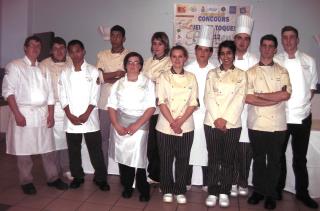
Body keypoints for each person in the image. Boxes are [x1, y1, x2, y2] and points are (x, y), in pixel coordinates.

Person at [2, 35, 68, 195]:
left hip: (42, 114)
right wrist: (17, 114)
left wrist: (51, 114)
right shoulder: (15, 66)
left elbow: (51, 94)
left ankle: (53, 178)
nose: (36, 49)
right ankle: (26, 181)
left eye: (38, 46)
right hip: (23, 113)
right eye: (32, 45)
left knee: (48, 149)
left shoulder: (42, 68)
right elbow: (8, 92)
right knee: (24, 151)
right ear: (25, 47)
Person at [275, 26, 319, 209]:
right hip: (282, 116)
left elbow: (312, 88)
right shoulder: (276, 60)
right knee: (278, 156)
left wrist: (304, 103)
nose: (288, 41)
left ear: (297, 40)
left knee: (300, 158)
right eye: (285, 38)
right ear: (282, 40)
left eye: (292, 37)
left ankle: (303, 192)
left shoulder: (309, 60)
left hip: (303, 116)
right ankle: (277, 189)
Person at [246, 34, 291, 210]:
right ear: (260, 47)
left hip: (277, 124)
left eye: (271, 46)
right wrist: (274, 98)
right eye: (264, 45)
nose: (267, 49)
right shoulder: (250, 72)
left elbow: (285, 94)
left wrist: (261, 95)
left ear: (275, 49)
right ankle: (258, 191)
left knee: (274, 160)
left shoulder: (282, 71)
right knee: (258, 159)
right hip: (256, 122)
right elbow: (248, 98)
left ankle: (271, 194)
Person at [59, 40, 109, 191]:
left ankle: (100, 178)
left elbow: (95, 95)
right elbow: (62, 95)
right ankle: (78, 176)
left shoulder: (94, 71)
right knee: (73, 150)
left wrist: (87, 113)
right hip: (71, 117)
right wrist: (69, 114)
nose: (75, 54)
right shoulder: (65, 72)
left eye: (78, 51)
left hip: (90, 118)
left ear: (84, 51)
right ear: (69, 53)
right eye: (72, 51)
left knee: (96, 149)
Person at [203, 40, 247, 208]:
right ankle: (213, 191)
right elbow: (208, 97)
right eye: (222, 53)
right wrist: (217, 119)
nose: (226, 56)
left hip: (232, 124)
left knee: (228, 160)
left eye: (229, 53)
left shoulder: (242, 75)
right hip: (211, 122)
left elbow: (239, 99)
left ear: (234, 54)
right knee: (213, 159)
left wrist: (225, 119)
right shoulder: (212, 73)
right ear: (219, 55)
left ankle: (224, 191)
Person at [108, 52, 156, 202]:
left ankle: (143, 188)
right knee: (123, 157)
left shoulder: (147, 83)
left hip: (140, 123)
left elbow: (151, 107)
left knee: (139, 158)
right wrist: (116, 125)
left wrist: (136, 125)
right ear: (125, 65)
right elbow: (111, 106)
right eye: (130, 62)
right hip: (120, 122)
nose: (133, 65)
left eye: (137, 62)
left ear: (141, 66)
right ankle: (127, 186)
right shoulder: (118, 84)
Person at [156, 45, 198, 204]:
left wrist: (180, 121)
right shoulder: (163, 77)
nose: (177, 59)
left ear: (185, 58)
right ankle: (166, 188)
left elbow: (193, 102)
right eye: (174, 56)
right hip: (165, 125)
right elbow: (161, 101)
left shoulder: (191, 77)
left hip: (186, 125)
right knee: (166, 159)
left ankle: (180, 189)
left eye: (181, 56)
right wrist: (173, 122)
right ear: (170, 58)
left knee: (183, 159)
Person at [184, 25, 216, 192]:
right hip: (190, 116)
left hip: (209, 116)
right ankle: (186, 180)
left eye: (206, 50)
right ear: (195, 51)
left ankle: (207, 181)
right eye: (200, 50)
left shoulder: (215, 71)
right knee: (188, 148)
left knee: (207, 148)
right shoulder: (187, 69)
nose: (203, 53)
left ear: (211, 52)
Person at [231, 14, 259, 197]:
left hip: (248, 112)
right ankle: (231, 180)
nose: (242, 42)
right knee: (231, 148)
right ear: (234, 39)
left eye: (246, 39)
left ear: (249, 41)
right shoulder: (225, 58)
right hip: (230, 112)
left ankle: (243, 181)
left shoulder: (255, 61)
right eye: (239, 38)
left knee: (245, 151)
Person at [96, 25, 129, 172]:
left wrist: (106, 77)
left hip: (122, 104)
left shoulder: (129, 55)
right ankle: (102, 171)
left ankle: (125, 174)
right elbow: (98, 77)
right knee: (102, 138)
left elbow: (128, 78)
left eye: (118, 36)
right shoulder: (102, 54)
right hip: (104, 103)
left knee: (124, 138)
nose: (115, 38)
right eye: (112, 35)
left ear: (124, 38)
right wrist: (116, 73)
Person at [40, 37, 72, 180]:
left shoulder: (72, 62)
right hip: (50, 108)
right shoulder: (43, 65)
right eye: (55, 48)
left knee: (66, 139)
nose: (59, 51)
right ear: (50, 51)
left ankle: (66, 168)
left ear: (66, 49)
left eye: (62, 48)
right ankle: (52, 172)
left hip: (68, 108)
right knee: (50, 141)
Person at [142, 32, 171, 184]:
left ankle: (156, 175)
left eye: (160, 43)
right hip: (144, 107)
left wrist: (150, 83)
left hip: (159, 110)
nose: (156, 47)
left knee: (156, 143)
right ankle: (149, 172)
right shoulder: (146, 62)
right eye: (154, 43)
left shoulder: (169, 63)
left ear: (166, 45)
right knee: (146, 142)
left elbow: (164, 84)